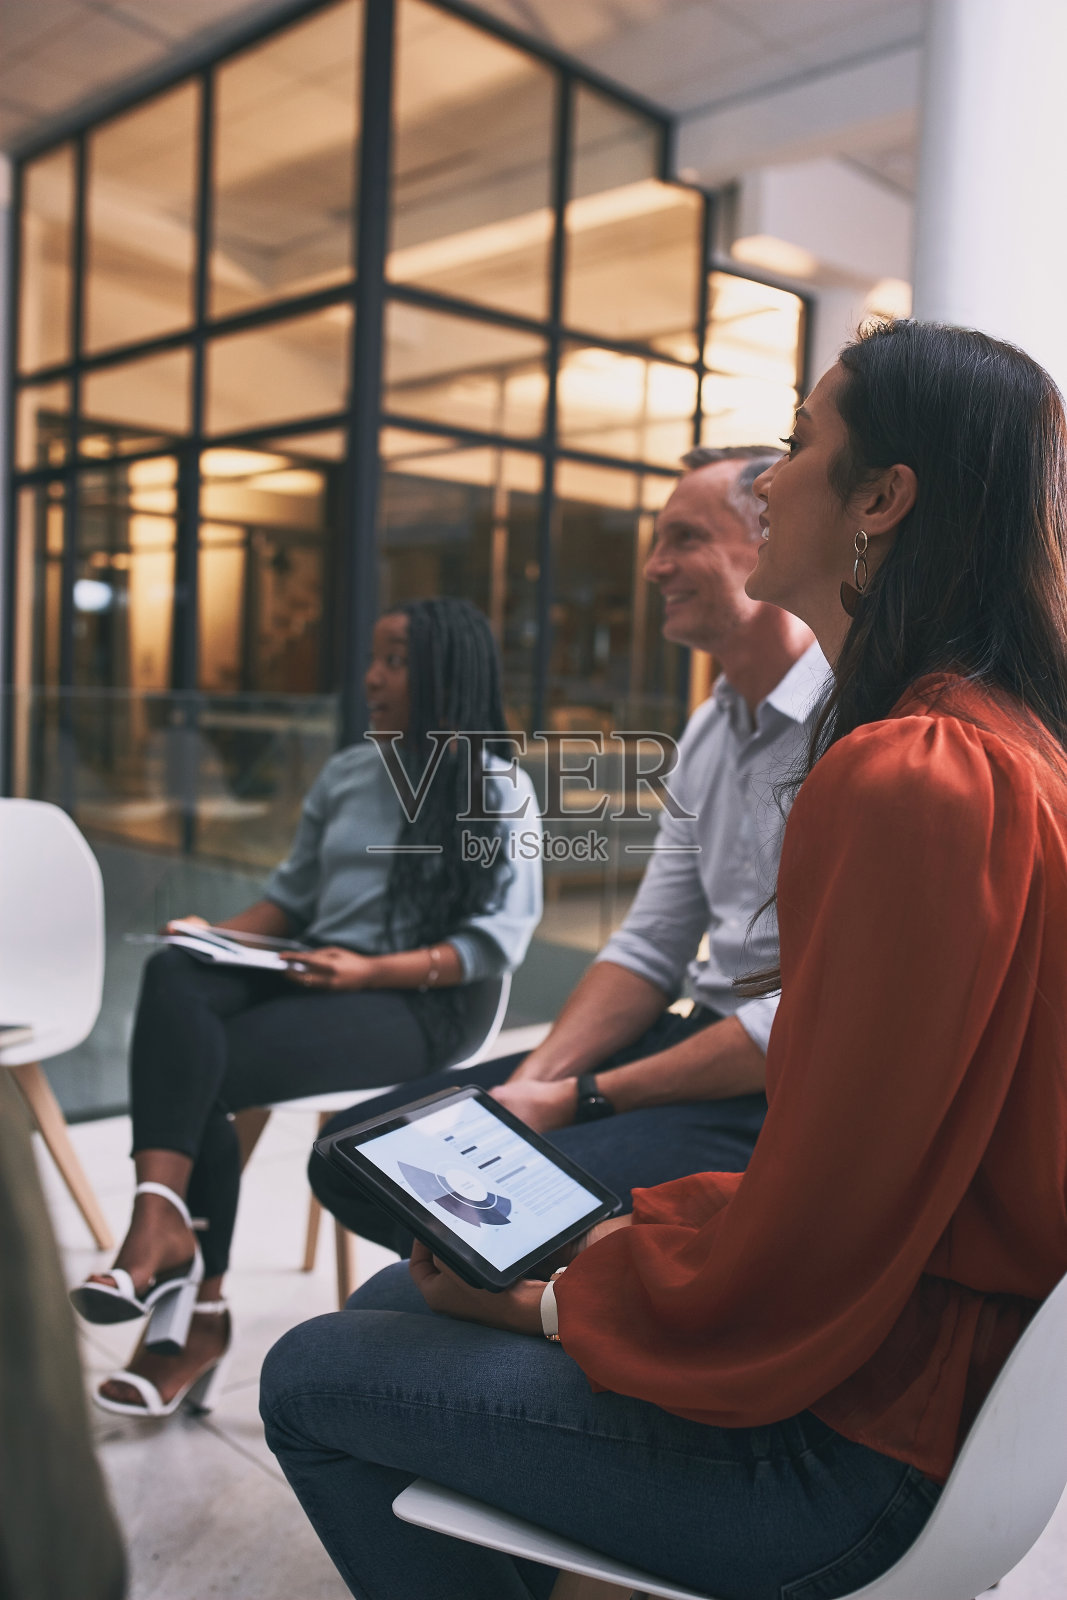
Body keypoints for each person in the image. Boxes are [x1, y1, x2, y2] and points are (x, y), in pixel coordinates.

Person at [260, 320, 1067, 1600]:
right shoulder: (992, 742)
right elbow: (821, 1136)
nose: (766, 483)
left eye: (797, 447)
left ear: (880, 498)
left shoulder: (912, 774)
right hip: (917, 1383)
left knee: (308, 1374)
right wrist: (600, 1250)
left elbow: (820, 1224)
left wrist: (559, 1300)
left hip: (856, 1441)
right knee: (402, 1293)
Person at [308, 446, 825, 1256]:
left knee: (474, 1214)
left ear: (769, 540)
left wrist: (584, 1098)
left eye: (683, 538)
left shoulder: (851, 725)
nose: (654, 567)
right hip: (690, 1039)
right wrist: (534, 1084)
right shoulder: (708, 728)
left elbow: (802, 1017)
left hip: (776, 1096)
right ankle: (544, 1297)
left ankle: (567, 1318)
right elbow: (650, 945)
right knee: (349, 1153)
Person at [69, 597, 542, 1419]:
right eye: (373, 658)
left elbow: (497, 940)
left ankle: (186, 1303)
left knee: (200, 1068)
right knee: (177, 977)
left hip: (425, 1003)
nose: (370, 677)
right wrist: (211, 936)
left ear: (442, 674)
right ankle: (163, 1227)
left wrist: (368, 973)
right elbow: (286, 904)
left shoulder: (499, 792)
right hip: (317, 969)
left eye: (393, 660)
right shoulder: (348, 773)